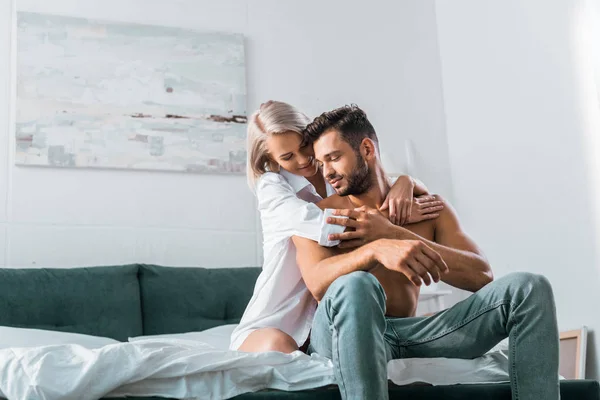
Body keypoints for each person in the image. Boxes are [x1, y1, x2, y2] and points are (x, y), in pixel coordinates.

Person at [292, 104, 560, 400]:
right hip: (341, 335)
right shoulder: (318, 216)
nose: (327, 172)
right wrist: (377, 250)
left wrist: (393, 233)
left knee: (529, 287)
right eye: (322, 162)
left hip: (411, 333)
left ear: (366, 149)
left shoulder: (427, 209)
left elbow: (481, 276)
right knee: (357, 283)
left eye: (334, 158)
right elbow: (318, 284)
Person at [230, 101, 445, 353]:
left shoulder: (331, 174)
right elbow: (326, 228)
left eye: (303, 147)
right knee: (283, 348)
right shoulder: (272, 187)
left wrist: (406, 182)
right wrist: (389, 215)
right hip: (278, 322)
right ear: (271, 160)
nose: (303, 160)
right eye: (287, 157)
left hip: (324, 320)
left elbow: (372, 181)